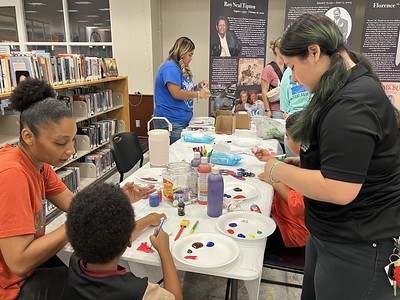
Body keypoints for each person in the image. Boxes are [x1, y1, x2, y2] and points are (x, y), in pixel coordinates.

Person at [255, 13, 400, 299]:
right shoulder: (342, 87)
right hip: (329, 233)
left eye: (293, 67)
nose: (293, 77)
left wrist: (276, 171)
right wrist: (306, 162)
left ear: (314, 52)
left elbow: (339, 188)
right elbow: (347, 159)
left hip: (358, 244)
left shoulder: (352, 102)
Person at [0, 78, 159, 299]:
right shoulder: (12, 174)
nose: (71, 150)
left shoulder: (38, 165)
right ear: (28, 136)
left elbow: (76, 204)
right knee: (102, 286)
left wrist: (114, 201)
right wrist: (79, 220)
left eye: (73, 140)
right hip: (10, 287)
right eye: (60, 143)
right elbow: (18, 263)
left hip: (28, 270)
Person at [66, 183, 182, 300]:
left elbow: (103, 227)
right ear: (129, 240)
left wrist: (149, 219)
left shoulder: (75, 260)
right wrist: (165, 251)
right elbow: (175, 298)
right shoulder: (140, 293)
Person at [257, 112, 309, 248]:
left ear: (299, 141)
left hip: (293, 231)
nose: (286, 139)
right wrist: (272, 160)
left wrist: (274, 181)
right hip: (281, 215)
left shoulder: (313, 169)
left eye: (287, 136)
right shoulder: (309, 159)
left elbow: (297, 205)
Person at [154, 37, 210, 144]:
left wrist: (198, 86)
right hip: (171, 122)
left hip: (181, 121)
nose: (191, 58)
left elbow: (186, 91)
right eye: (190, 54)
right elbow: (177, 93)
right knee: (174, 156)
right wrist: (198, 94)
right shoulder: (170, 68)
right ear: (182, 53)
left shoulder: (180, 68)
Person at [279, 68, 311, 156]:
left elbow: (284, 109)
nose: (294, 79)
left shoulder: (287, 73)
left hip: (295, 127)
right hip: (307, 125)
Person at [261, 38, 286, 119]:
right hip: (276, 110)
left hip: (288, 109)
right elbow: (264, 91)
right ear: (276, 50)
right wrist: (267, 110)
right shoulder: (269, 69)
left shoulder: (289, 67)